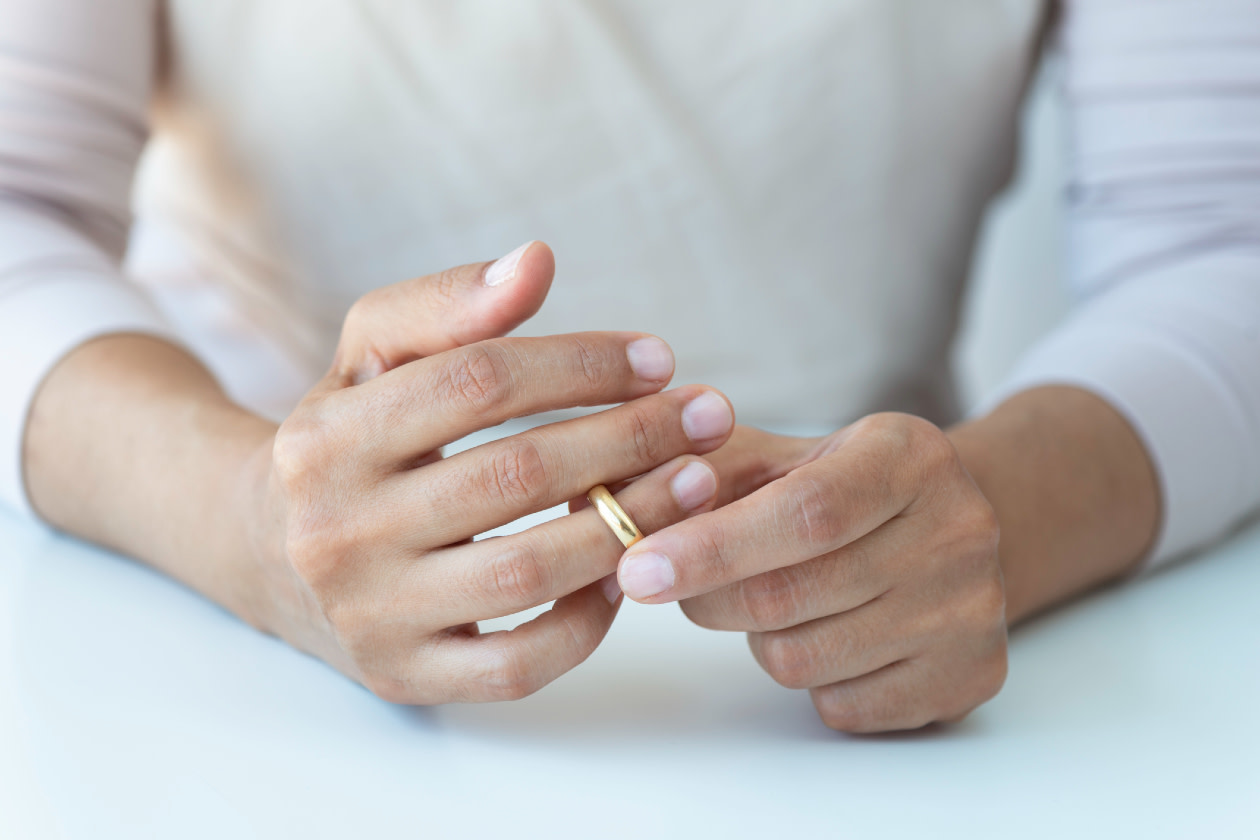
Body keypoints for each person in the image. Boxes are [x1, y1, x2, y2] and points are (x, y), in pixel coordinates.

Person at [2, 0, 1257, 732]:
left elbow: (1223, 242)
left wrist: (999, 515)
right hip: (218, 657)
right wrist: (249, 524)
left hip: (873, 685)